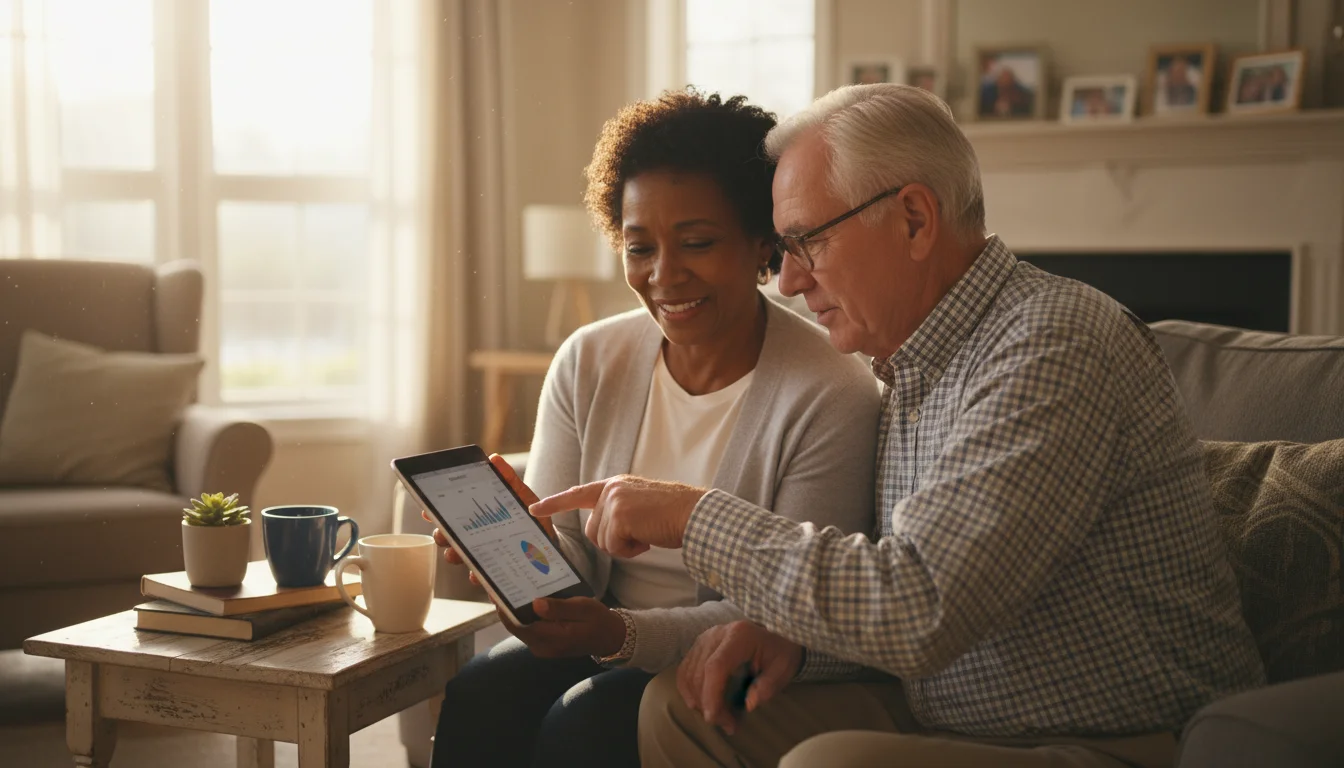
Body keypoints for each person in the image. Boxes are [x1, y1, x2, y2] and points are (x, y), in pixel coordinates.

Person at [531, 83, 1267, 768]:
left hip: (1110, 738)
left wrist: (693, 516)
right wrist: (790, 637)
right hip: (949, 708)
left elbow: (919, 607)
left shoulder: (1050, 346)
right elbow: (886, 600)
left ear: (914, 219)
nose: (788, 280)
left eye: (806, 242)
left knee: (829, 764)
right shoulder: (911, 366)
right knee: (681, 709)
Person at [428, 89, 880, 768]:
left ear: (762, 241)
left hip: (734, 662)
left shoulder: (831, 387)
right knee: (482, 691)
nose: (664, 276)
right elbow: (576, 566)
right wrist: (523, 558)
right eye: (640, 247)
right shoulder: (589, 359)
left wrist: (618, 633)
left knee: (586, 726)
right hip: (607, 635)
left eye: (697, 243)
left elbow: (791, 613)